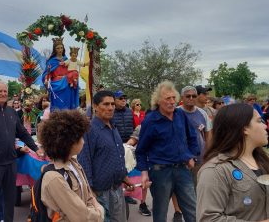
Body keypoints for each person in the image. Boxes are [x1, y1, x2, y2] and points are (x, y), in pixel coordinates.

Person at [0, 81, 44, 222]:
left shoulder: (12, 112)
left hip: (11, 163)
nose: (4, 94)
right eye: (0, 91)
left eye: (5, 91)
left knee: (9, 201)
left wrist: (36, 149)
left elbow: (22, 133)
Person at [136, 81, 200, 222]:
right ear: (158, 101)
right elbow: (141, 150)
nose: (172, 102)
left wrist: (191, 156)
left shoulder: (180, 115)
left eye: (173, 98)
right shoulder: (150, 121)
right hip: (161, 173)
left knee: (193, 212)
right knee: (160, 214)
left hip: (182, 170)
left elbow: (193, 137)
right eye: (167, 98)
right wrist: (144, 172)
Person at [197, 103, 269, 221]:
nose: (265, 126)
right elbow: (209, 219)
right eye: (259, 121)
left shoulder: (262, 161)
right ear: (244, 128)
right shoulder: (215, 171)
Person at [78, 90, 134, 222]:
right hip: (100, 192)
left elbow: (118, 156)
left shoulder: (113, 127)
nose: (110, 108)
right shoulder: (89, 130)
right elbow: (84, 161)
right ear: (96, 106)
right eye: (106, 104)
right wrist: (90, 192)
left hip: (117, 188)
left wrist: (125, 177)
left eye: (112, 104)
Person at [39, 110, 104, 221]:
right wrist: (99, 211)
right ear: (68, 142)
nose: (83, 141)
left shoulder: (73, 163)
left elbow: (88, 196)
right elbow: (82, 217)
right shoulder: (54, 178)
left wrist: (92, 204)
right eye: (80, 138)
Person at [42, 37, 79, 110]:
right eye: (58, 48)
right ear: (54, 49)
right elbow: (48, 73)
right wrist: (47, 79)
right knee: (58, 107)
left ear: (63, 48)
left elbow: (71, 70)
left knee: (67, 106)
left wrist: (74, 76)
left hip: (67, 85)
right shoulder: (51, 61)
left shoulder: (67, 60)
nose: (60, 50)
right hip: (56, 86)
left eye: (61, 48)